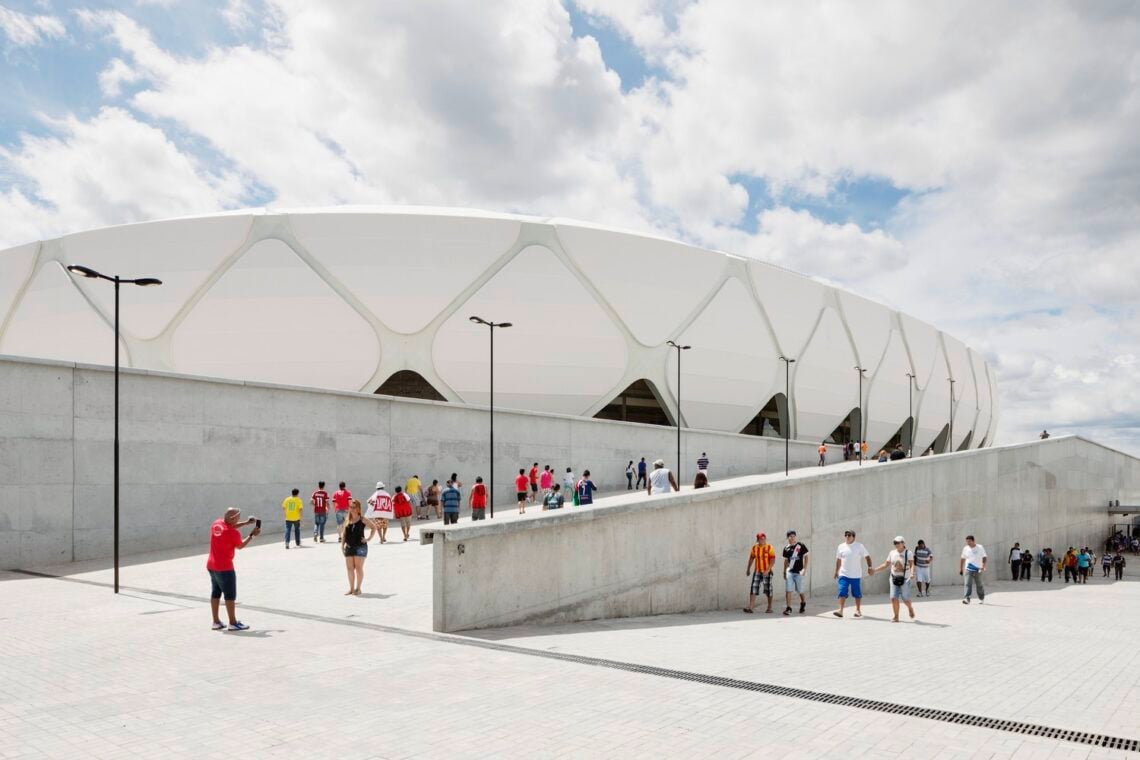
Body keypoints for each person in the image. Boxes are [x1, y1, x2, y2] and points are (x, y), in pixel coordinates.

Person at [206, 507, 260, 631]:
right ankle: (233, 623)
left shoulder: (216, 524)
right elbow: (240, 546)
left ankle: (216, 622)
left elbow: (230, 526)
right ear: (232, 518)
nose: (239, 519)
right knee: (230, 596)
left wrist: (246, 523)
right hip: (225, 568)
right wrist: (252, 535)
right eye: (238, 517)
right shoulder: (232, 533)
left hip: (211, 565)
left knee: (215, 593)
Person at [872, 536, 916, 622]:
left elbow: (912, 564)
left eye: (898, 542)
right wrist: (875, 570)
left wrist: (911, 573)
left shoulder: (908, 553)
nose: (896, 544)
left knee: (905, 598)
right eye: (895, 543)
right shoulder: (892, 553)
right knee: (893, 598)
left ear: (903, 543)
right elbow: (885, 565)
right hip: (893, 578)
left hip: (905, 579)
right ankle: (896, 617)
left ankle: (910, 608)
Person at [833, 530, 872, 618]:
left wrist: (869, 567)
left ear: (853, 537)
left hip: (856, 575)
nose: (847, 536)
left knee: (857, 593)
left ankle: (858, 610)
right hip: (843, 574)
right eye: (846, 535)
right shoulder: (841, 546)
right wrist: (836, 571)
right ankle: (840, 610)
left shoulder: (859, 546)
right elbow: (838, 560)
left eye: (849, 535)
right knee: (842, 591)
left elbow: (867, 556)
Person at [341, 499, 375, 596]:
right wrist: (342, 545)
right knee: (349, 568)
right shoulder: (347, 519)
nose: (351, 509)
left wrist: (368, 539)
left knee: (358, 568)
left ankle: (358, 588)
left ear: (358, 509)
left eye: (353, 507)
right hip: (349, 546)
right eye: (350, 507)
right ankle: (351, 589)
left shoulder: (362, 519)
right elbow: (344, 534)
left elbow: (373, 527)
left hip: (360, 546)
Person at [743, 533, 776, 614]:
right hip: (757, 571)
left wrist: (768, 570)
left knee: (768, 589)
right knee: (753, 588)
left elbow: (773, 560)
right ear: (757, 540)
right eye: (761, 539)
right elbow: (751, 558)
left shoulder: (769, 547)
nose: (763, 540)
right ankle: (751, 607)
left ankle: (769, 607)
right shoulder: (755, 548)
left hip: (767, 571)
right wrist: (748, 569)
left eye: (764, 538)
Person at [782, 530, 809, 615]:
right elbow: (786, 561)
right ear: (788, 537)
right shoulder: (786, 548)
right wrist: (784, 571)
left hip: (799, 572)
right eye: (790, 536)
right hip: (790, 571)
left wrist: (804, 569)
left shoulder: (800, 545)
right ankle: (789, 608)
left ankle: (803, 602)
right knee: (788, 590)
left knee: (800, 590)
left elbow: (806, 557)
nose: (792, 537)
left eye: (794, 536)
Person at [959, 535, 987, 604]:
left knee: (979, 584)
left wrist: (983, 566)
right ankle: (967, 599)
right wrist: (961, 568)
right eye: (967, 542)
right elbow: (962, 558)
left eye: (969, 541)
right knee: (967, 584)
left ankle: (981, 598)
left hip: (978, 569)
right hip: (968, 569)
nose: (968, 543)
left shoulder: (980, 547)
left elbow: (984, 557)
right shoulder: (966, 548)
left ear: (974, 540)